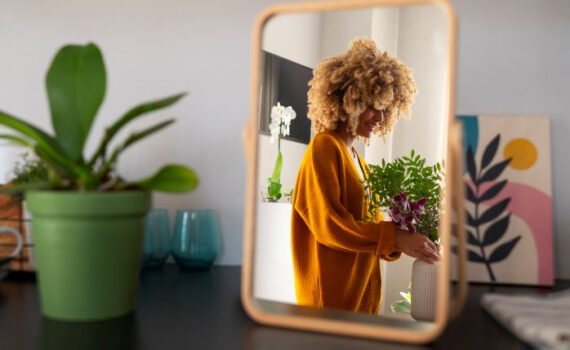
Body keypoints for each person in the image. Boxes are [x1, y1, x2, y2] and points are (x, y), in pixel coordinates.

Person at [291, 37, 440, 314]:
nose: (380, 118)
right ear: (348, 100)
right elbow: (330, 226)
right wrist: (397, 238)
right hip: (331, 305)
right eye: (373, 106)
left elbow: (368, 230)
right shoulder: (324, 148)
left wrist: (409, 234)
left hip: (362, 300)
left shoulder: (361, 163)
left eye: (386, 109)